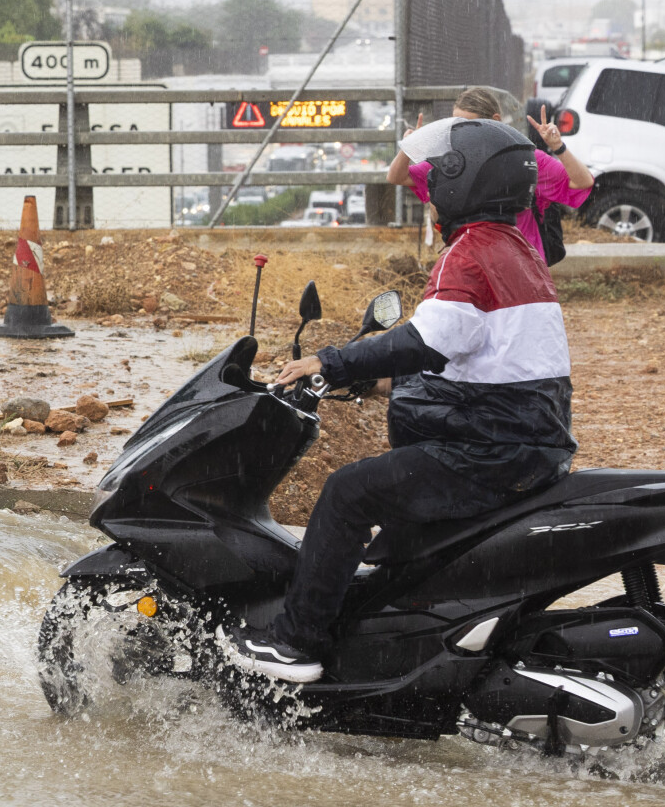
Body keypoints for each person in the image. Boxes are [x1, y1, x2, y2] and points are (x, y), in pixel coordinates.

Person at [230, 119, 577, 683]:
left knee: (348, 492)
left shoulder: (472, 253)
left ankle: (296, 644)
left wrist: (331, 360)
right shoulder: (515, 249)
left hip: (491, 451)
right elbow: (475, 360)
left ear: (462, 183)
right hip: (519, 438)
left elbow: (422, 341)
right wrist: (378, 381)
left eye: (440, 173)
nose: (432, 184)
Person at [387, 87, 592, 263]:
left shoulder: (526, 158)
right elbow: (397, 177)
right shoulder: (454, 160)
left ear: (495, 120)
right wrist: (410, 146)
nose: (462, 132)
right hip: (474, 259)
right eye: (457, 125)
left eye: (470, 125)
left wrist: (558, 146)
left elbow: (582, 182)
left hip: (522, 260)